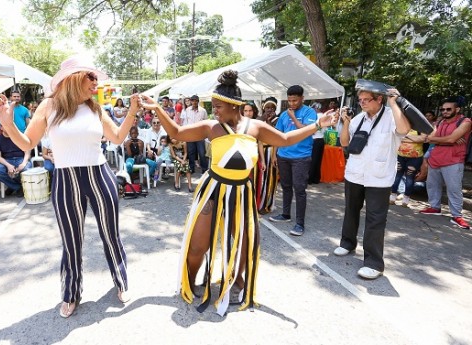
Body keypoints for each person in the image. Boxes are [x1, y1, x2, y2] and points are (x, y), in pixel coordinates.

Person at [140, 70, 336, 316]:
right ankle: (189, 281)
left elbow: (285, 139)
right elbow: (177, 133)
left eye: (219, 106)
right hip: (213, 190)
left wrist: (317, 124)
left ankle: (235, 280)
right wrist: (157, 108)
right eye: (214, 106)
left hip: (242, 193)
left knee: (243, 247)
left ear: (235, 107)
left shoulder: (256, 128)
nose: (215, 111)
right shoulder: (211, 127)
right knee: (197, 246)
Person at [0, 55, 139, 318]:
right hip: (65, 179)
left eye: (95, 77)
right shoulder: (49, 106)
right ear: (73, 79)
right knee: (71, 242)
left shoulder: (95, 108)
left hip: (99, 174)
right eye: (90, 77)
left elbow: (117, 137)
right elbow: (26, 144)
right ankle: (71, 293)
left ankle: (121, 281)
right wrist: (7, 122)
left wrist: (133, 112)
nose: (95, 82)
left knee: (110, 234)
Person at [334, 87, 411, 280]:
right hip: (355, 174)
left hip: (379, 177)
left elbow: (403, 130)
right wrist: (346, 123)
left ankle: (374, 262)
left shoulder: (391, 116)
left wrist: (394, 102)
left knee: (375, 219)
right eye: (360, 100)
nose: (362, 103)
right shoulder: (359, 118)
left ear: (379, 99)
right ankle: (347, 243)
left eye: (366, 99)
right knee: (351, 210)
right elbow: (344, 143)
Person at [269, 85, 318, 236]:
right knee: (286, 186)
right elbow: (278, 135)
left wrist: (293, 118)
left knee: (300, 189)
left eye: (295, 100)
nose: (291, 104)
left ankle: (300, 223)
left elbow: (307, 130)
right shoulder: (284, 114)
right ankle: (285, 214)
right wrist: (274, 155)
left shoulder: (309, 112)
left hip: (301, 157)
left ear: (302, 98)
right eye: (289, 100)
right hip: (283, 156)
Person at [419, 98, 471, 229]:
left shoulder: (465, 121)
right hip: (436, 157)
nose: (445, 111)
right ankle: (434, 207)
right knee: (432, 185)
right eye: (443, 109)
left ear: (457, 109)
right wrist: (447, 140)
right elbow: (432, 138)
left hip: (453, 159)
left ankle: (456, 215)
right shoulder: (440, 121)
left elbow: (449, 138)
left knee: (454, 188)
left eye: (448, 109)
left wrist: (441, 139)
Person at [389, 129, 426, 207]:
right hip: (400, 155)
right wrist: (414, 139)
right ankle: (392, 197)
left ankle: (406, 199)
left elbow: (422, 139)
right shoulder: (403, 125)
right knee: (397, 176)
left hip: (415, 157)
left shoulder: (421, 126)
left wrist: (406, 136)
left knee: (410, 177)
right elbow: (396, 137)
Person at [0, 126, 31, 197]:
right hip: (6, 160)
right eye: (5, 125)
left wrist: (23, 163)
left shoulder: (19, 136)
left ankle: (11, 186)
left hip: (21, 158)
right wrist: (8, 165)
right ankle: (18, 187)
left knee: (26, 169)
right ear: (1, 128)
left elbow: (27, 152)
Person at [184, 95, 209, 174]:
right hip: (190, 134)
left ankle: (204, 169)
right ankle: (191, 169)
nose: (194, 102)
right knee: (191, 152)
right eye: (193, 100)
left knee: (202, 153)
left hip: (200, 134)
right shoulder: (187, 110)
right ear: (191, 101)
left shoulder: (203, 110)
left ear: (198, 101)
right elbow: (186, 121)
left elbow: (206, 121)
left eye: (195, 101)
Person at [308, 102, 326, 184]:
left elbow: (314, 129)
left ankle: (310, 178)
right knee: (318, 160)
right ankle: (316, 178)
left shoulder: (316, 116)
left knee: (313, 160)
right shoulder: (324, 115)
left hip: (315, 139)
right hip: (321, 139)